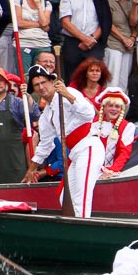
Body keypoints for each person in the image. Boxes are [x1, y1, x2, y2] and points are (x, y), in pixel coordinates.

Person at [24, 64, 100, 216]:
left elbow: (89, 113)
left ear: (52, 82)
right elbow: (45, 145)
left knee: (81, 198)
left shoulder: (68, 93)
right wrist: (31, 169)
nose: (41, 87)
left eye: (43, 82)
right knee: (64, 196)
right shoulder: (46, 116)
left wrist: (68, 95)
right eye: (37, 85)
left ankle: (82, 230)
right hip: (74, 154)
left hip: (88, 146)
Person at [58, 0, 111, 82]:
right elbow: (65, 21)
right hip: (73, 43)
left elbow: (105, 20)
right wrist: (83, 38)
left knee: (94, 79)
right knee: (72, 79)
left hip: (94, 43)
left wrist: (91, 39)